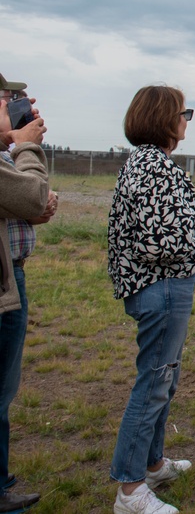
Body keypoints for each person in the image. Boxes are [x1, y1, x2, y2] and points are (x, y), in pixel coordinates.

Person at [108, 86, 195, 514]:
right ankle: (130, 490)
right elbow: (157, 241)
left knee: (163, 380)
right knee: (152, 384)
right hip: (162, 286)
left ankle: (152, 464)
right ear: (165, 118)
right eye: (183, 112)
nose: (186, 119)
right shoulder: (153, 167)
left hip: (164, 286)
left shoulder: (149, 164)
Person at [0, 75, 49, 514]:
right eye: (9, 100)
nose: (22, 106)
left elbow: (30, 205)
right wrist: (26, 146)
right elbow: (32, 196)